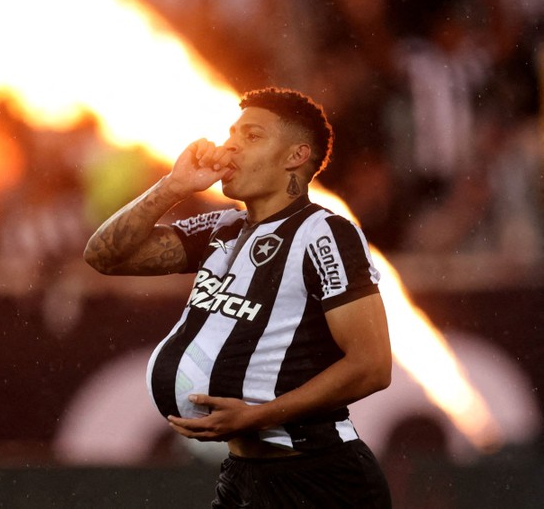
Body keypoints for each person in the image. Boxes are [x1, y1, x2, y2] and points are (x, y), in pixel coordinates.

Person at [84, 87, 392, 508]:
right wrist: (173, 186)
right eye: (232, 133)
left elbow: (372, 366)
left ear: (295, 156)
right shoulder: (223, 227)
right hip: (244, 476)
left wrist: (257, 417)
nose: (230, 145)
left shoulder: (324, 233)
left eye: (252, 136)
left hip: (320, 479)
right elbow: (104, 256)